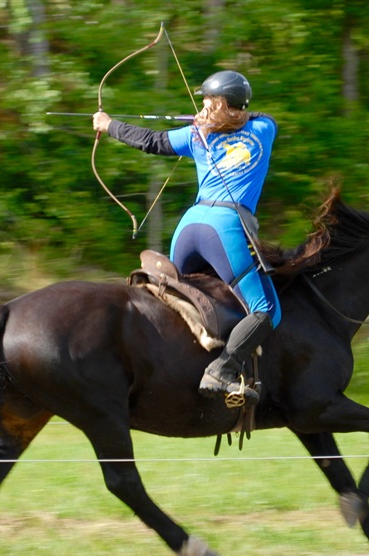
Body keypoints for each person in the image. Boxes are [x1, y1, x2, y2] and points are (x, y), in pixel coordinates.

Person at [93, 70, 281, 406]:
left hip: (190, 226)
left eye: (209, 101)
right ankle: (221, 371)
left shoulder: (195, 135)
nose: (204, 107)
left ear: (219, 105)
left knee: (169, 300)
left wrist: (109, 125)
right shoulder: (264, 129)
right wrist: (220, 116)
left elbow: (151, 140)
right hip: (225, 227)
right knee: (266, 311)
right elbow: (256, 115)